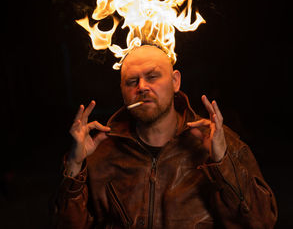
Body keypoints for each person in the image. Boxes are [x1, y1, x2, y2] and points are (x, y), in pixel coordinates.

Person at [52, 45, 277, 228]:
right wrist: (74, 166)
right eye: (132, 81)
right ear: (122, 90)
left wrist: (222, 161)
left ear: (175, 81)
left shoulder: (218, 142)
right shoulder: (98, 151)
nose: (142, 87)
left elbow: (261, 222)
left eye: (152, 77)